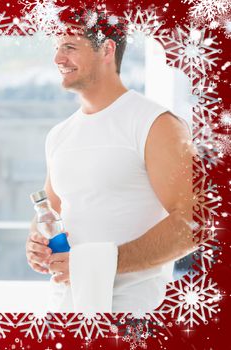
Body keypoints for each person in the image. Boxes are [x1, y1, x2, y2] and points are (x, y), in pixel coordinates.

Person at [25, 8, 198, 314]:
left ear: (107, 49)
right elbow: (51, 209)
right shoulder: (59, 135)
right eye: (56, 48)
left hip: (134, 316)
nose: (58, 60)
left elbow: (194, 222)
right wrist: (37, 242)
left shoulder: (156, 124)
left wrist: (101, 263)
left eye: (70, 47)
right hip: (66, 311)